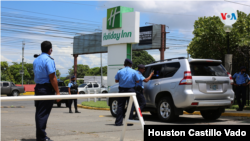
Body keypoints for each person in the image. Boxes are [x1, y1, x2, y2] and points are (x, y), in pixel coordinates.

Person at [33, 41, 60, 141]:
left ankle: (40, 135)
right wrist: (57, 92)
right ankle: (41, 137)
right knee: (43, 113)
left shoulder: (36, 60)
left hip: (38, 88)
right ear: (50, 49)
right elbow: (52, 77)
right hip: (46, 89)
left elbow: (35, 76)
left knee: (39, 113)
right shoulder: (48, 60)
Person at [114, 59, 140, 126]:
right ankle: (129, 122)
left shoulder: (119, 71)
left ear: (124, 64)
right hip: (131, 90)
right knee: (130, 106)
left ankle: (118, 122)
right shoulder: (134, 72)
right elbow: (137, 81)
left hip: (122, 90)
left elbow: (116, 80)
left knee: (120, 106)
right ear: (130, 65)